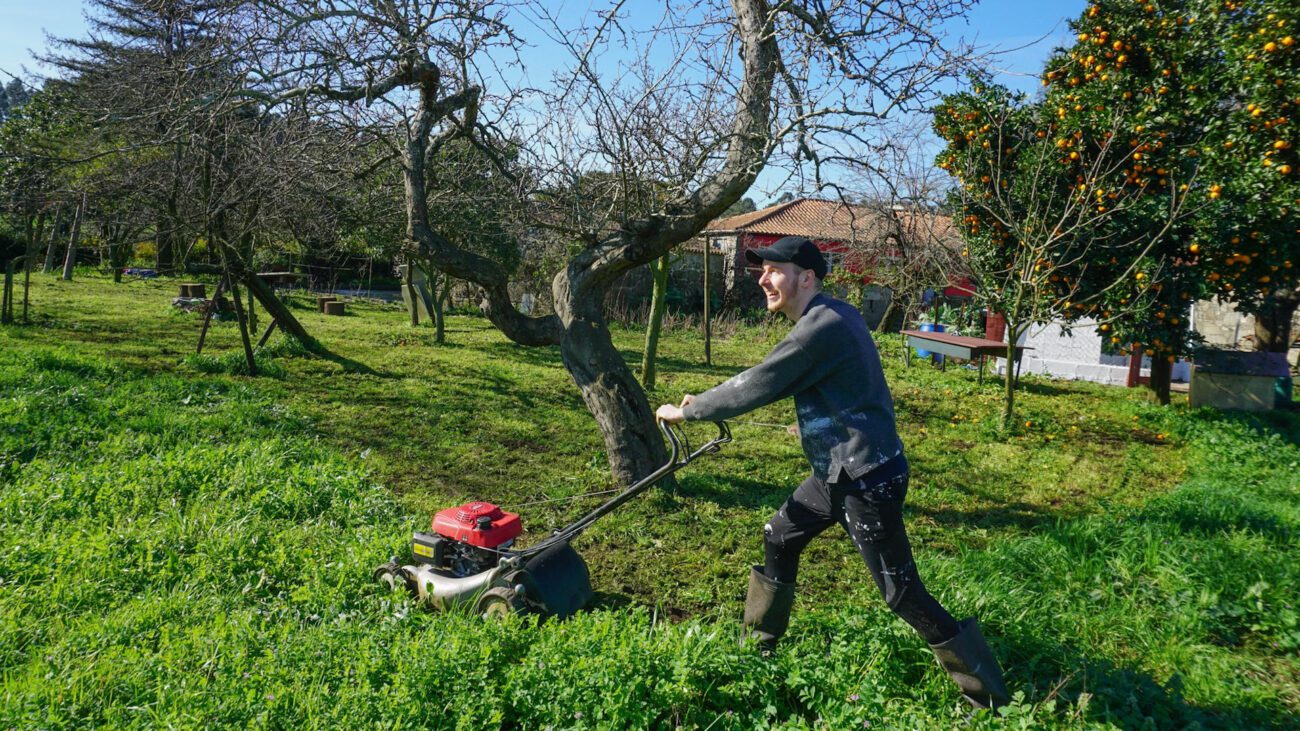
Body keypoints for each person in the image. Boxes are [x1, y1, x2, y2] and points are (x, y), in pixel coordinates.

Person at [655, 236, 1010, 710]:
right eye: (761, 270)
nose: (764, 278)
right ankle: (756, 649)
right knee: (780, 536)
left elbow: (762, 381)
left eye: (775, 270)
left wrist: (692, 412)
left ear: (806, 277)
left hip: (866, 477)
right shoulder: (835, 314)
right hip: (837, 473)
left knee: (900, 592)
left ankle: (988, 696)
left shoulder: (818, 329)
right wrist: (705, 404)